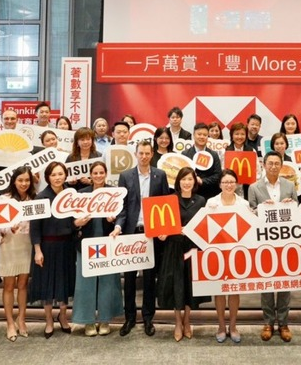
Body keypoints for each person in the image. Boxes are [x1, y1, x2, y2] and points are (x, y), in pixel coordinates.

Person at [112, 140, 173, 336]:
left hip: (151, 234)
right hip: (131, 233)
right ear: (136, 154)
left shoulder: (160, 175)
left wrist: (164, 228)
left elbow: (165, 205)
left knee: (149, 279)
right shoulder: (125, 176)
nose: (144, 156)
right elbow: (122, 207)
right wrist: (118, 226)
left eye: (147, 153)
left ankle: (148, 318)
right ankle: (129, 318)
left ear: (152, 154)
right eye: (141, 153)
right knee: (129, 279)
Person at [247, 152, 297, 342]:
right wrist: (262, 209)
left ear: (281, 165)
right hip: (264, 242)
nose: (274, 166)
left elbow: (297, 209)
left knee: (285, 283)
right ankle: (268, 322)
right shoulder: (254, 187)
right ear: (264, 165)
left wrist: (291, 204)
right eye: (270, 163)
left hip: (286, 241)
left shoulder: (290, 185)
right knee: (267, 282)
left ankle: (283, 323)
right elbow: (250, 213)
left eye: (277, 163)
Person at [157, 167, 208, 341]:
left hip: (193, 248)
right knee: (176, 285)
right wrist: (163, 233)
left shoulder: (201, 201)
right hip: (174, 247)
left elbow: (204, 226)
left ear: (195, 181)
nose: (187, 182)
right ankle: (178, 322)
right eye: (183, 179)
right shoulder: (170, 199)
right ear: (178, 182)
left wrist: (190, 230)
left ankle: (187, 320)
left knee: (190, 285)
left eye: (190, 179)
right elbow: (162, 224)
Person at [72, 162, 123, 337]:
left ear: (106, 174)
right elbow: (72, 219)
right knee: (85, 282)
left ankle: (105, 319)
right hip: (86, 243)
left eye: (102, 172)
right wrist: (77, 223)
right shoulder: (81, 194)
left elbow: (122, 215)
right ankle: (88, 321)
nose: (99, 175)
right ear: (91, 175)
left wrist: (115, 223)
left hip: (108, 242)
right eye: (95, 173)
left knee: (108, 281)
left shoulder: (114, 193)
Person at [31, 162, 77, 338]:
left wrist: (77, 223)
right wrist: (37, 250)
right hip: (47, 247)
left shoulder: (71, 195)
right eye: (53, 175)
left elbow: (73, 223)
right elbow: (35, 227)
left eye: (60, 174)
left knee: (65, 282)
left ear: (65, 175)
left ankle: (63, 316)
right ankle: (49, 319)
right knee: (47, 284)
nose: (57, 178)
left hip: (67, 246)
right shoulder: (41, 197)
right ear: (47, 177)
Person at [208, 170, 248, 343]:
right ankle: (221, 326)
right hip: (217, 253)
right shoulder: (211, 202)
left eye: (232, 182)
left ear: (237, 184)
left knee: (234, 290)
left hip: (238, 253)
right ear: (220, 185)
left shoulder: (244, 203)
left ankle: (233, 326)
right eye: (225, 182)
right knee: (219, 290)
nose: (229, 185)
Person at [0, 165, 35, 341]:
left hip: (27, 244)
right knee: (8, 285)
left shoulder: (34, 199)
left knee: (23, 285)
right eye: (20, 180)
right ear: (14, 181)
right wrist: (8, 228)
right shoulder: (4, 199)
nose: (24, 183)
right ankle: (10, 323)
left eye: (27, 180)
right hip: (9, 244)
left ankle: (22, 319)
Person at [182, 123, 222, 199]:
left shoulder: (214, 154)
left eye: (205, 135)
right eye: (199, 134)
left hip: (210, 195)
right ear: (194, 135)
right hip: (191, 195)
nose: (202, 137)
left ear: (208, 137)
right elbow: (182, 175)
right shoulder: (185, 154)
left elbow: (217, 175)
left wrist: (202, 181)